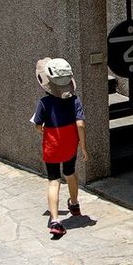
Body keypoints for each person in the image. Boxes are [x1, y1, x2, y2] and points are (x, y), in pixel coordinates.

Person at [31, 57, 88, 236]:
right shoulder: (75, 101)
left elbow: (38, 125)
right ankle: (74, 203)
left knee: (54, 180)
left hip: (52, 146)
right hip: (70, 143)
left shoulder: (44, 103)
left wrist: (42, 131)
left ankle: (55, 220)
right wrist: (84, 147)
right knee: (70, 173)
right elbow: (80, 124)